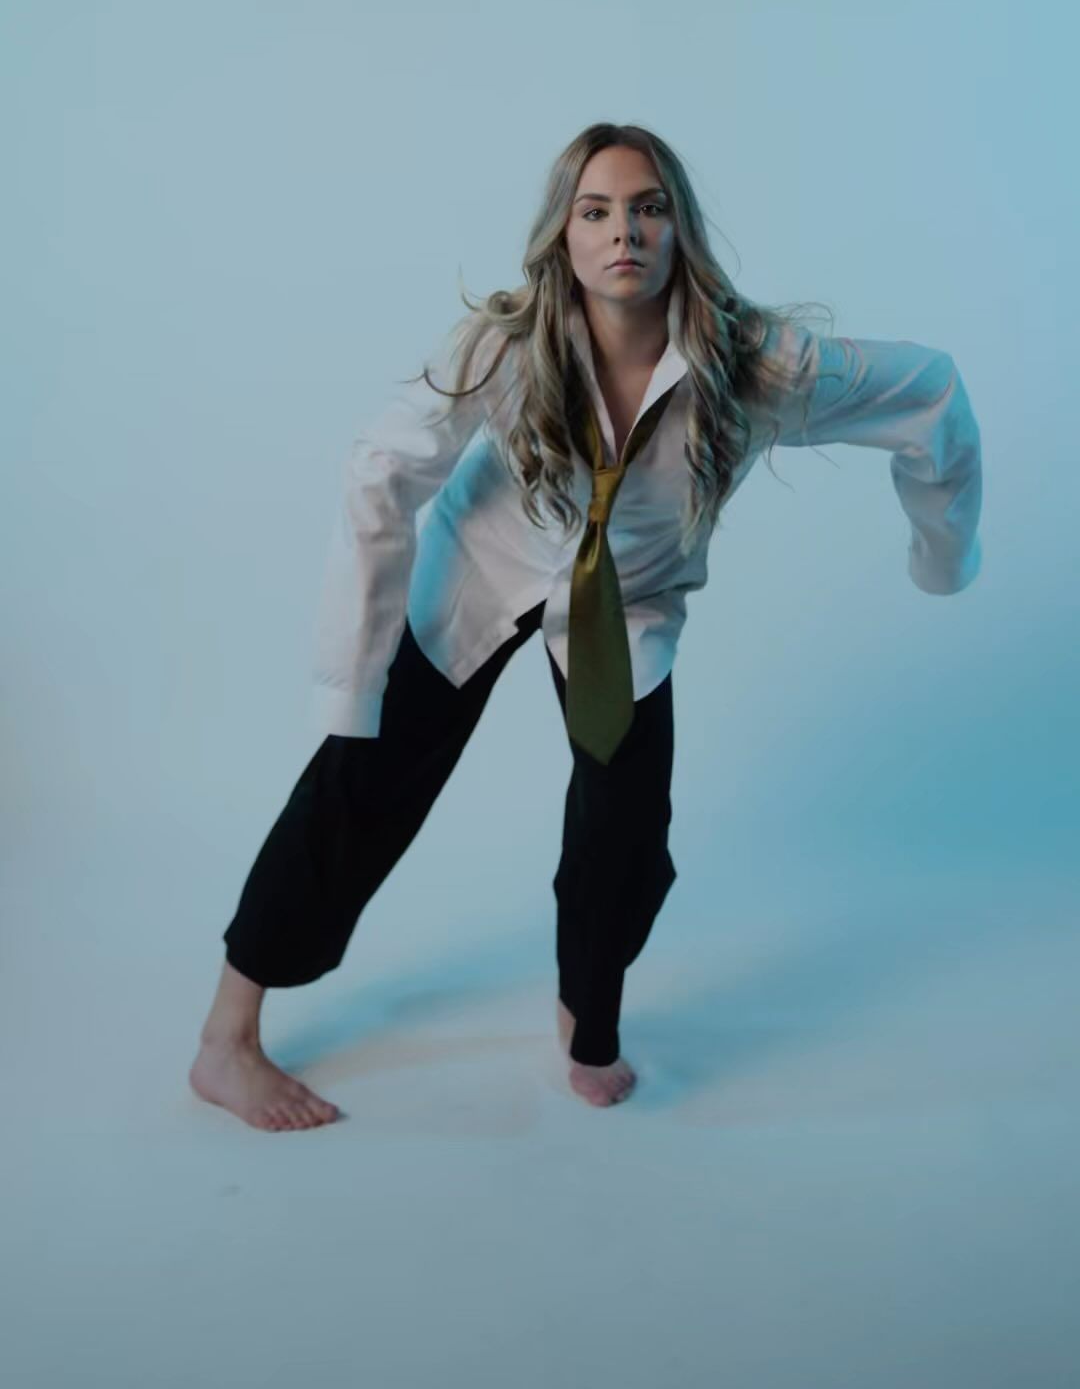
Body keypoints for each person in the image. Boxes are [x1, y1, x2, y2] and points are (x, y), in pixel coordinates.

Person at [189, 124, 983, 1128]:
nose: (624, 232)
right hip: (481, 572)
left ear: (680, 230)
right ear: (562, 236)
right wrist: (354, 678)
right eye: (596, 211)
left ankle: (586, 1014)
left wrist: (941, 555)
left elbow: (932, 391)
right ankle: (225, 1042)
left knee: (627, 829)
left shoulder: (761, 365)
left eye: (649, 208)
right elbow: (380, 469)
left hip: (630, 599)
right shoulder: (506, 346)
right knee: (361, 783)